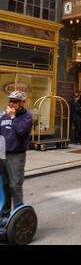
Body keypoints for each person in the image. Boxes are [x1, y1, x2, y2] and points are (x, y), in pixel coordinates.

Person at [0, 91, 33, 227]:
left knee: (15, 185)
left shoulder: (26, 117)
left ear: (22, 103)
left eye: (14, 101)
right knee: (5, 186)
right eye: (10, 101)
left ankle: (19, 216)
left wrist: (13, 117)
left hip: (16, 155)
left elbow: (20, 131)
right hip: (2, 155)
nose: (11, 104)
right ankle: (5, 215)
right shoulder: (3, 117)